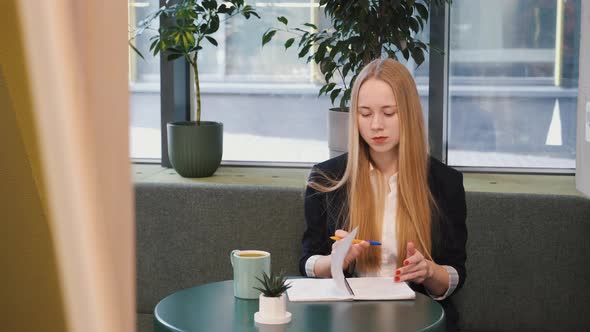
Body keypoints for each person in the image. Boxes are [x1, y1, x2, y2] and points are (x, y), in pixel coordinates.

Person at [301, 58, 467, 332]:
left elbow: (455, 274)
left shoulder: (445, 183)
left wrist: (429, 271)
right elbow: (307, 259)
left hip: (419, 320)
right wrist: (333, 262)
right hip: (347, 319)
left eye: (389, 113)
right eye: (365, 114)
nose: (376, 125)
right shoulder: (326, 178)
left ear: (409, 113)